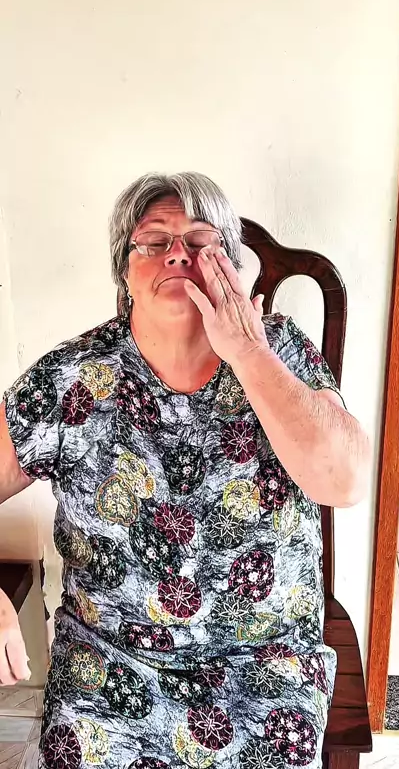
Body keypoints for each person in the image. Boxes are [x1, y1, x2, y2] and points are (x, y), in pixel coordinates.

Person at [0, 172, 369, 769]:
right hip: (109, 668)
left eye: (201, 241)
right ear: (124, 273)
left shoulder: (279, 350)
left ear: (232, 269)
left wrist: (248, 353)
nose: (178, 253)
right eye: (153, 241)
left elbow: (345, 481)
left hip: (263, 666)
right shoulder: (71, 379)